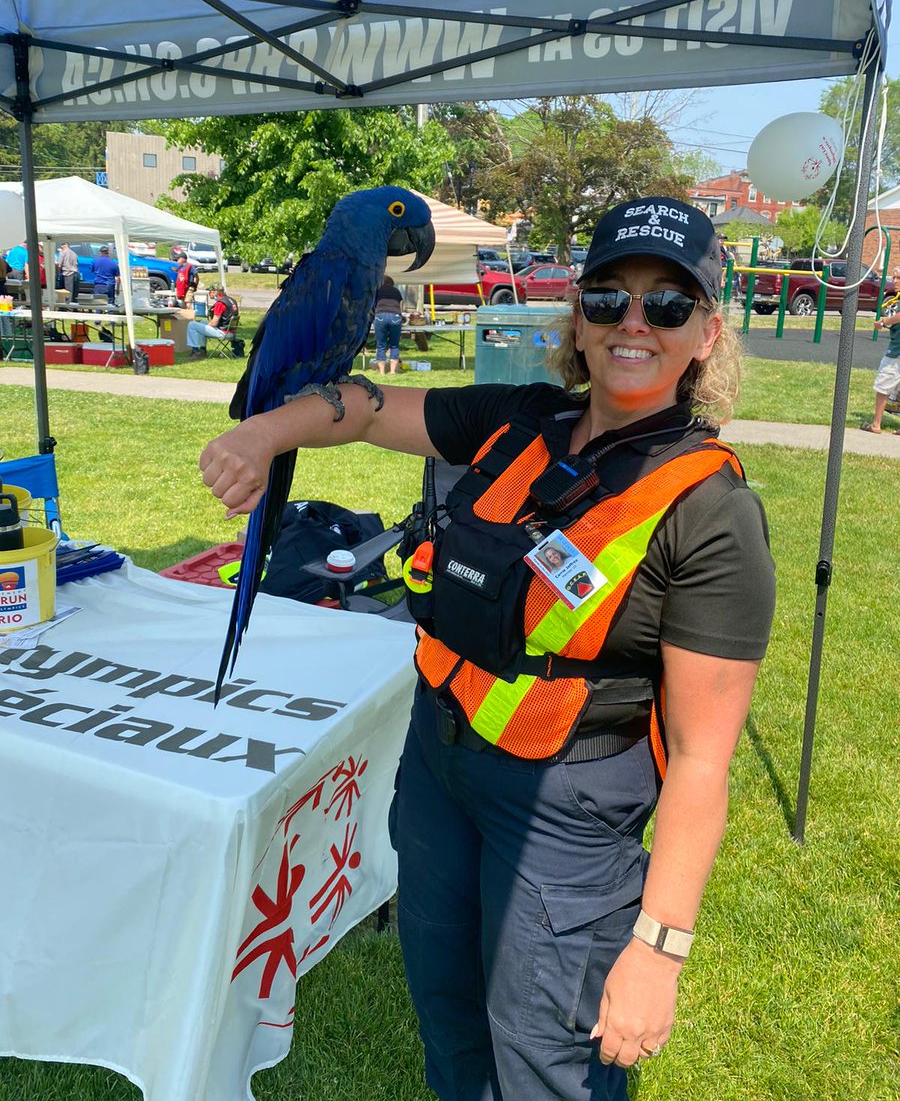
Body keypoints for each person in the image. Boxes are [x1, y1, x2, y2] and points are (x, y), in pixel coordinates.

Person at [199, 196, 776, 1101]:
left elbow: (704, 759)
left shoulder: (711, 511)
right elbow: (365, 408)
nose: (633, 323)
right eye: (607, 299)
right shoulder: (523, 418)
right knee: (451, 1017)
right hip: (439, 770)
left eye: (667, 305)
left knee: (545, 1061)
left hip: (566, 817)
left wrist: (659, 948)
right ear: (576, 319)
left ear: (705, 333)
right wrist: (263, 434)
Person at [861, 300, 900, 433]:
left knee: (883, 385)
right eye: (894, 277)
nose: (894, 281)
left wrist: (884, 322)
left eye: (898, 278)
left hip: (897, 351)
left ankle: (876, 424)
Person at [186, 287, 243, 360]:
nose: (210, 294)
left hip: (223, 333)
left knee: (192, 325)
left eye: (211, 292)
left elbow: (214, 323)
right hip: (231, 331)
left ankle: (196, 351)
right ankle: (203, 349)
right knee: (202, 322)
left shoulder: (220, 304)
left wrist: (205, 326)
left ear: (215, 292)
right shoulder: (232, 300)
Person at [373, 274, 404, 375]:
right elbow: (401, 306)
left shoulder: (377, 291)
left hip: (380, 315)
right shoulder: (396, 291)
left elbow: (372, 305)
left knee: (381, 344)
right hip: (395, 316)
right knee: (394, 344)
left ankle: (382, 372)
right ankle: (392, 371)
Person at [57, 242, 79, 306]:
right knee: (74, 292)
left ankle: (68, 307)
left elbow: (59, 265)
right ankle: (74, 307)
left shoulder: (62, 253)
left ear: (63, 246)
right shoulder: (74, 253)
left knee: (67, 292)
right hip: (75, 273)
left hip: (67, 273)